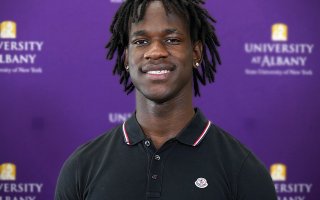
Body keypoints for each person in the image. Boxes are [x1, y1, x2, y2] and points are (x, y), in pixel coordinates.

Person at [55, 0, 277, 199]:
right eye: (141, 41)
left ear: (196, 53)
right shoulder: (82, 167)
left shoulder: (242, 169)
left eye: (172, 39)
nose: (155, 52)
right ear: (126, 58)